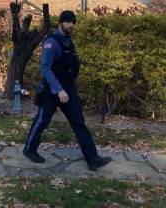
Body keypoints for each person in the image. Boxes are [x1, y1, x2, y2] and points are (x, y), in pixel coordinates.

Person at [23, 10, 112, 171]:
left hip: (68, 89)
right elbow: (45, 68)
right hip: (52, 89)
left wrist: (68, 88)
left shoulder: (68, 41)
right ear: (61, 23)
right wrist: (58, 90)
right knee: (41, 121)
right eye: (68, 22)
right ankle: (29, 149)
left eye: (73, 22)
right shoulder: (52, 42)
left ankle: (93, 159)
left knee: (79, 122)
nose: (72, 25)